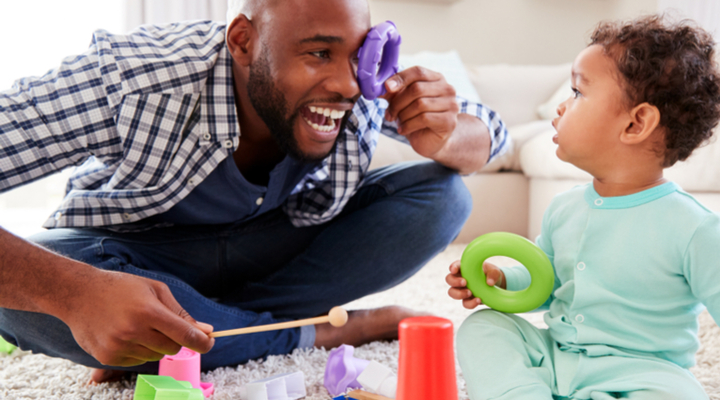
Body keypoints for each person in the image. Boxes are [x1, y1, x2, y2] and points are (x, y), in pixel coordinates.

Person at [0, 0, 508, 383]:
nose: (348, 84)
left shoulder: (361, 83)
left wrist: (445, 133)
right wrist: (72, 294)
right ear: (243, 40)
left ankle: (207, 335)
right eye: (318, 53)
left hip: (270, 248)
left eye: (356, 55)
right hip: (131, 253)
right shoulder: (132, 78)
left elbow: (490, 133)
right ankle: (326, 329)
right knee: (23, 292)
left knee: (443, 195)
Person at [446, 15, 720, 400]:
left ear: (636, 124)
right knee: (484, 328)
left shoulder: (695, 229)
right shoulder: (564, 208)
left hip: (644, 376)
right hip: (556, 355)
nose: (560, 108)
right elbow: (550, 286)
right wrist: (504, 282)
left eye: (577, 93)